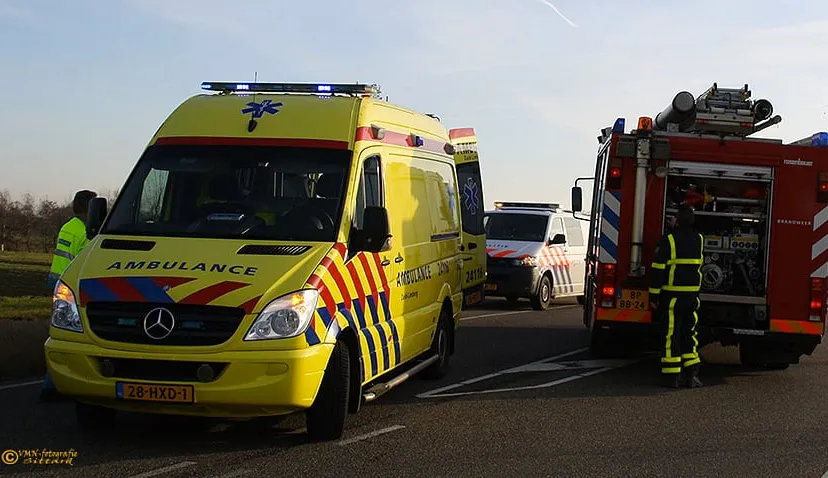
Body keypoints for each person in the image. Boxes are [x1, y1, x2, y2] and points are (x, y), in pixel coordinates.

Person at [41, 190, 97, 402]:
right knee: (72, 335)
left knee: (58, 332)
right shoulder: (86, 232)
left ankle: (51, 384)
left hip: (57, 281)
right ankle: (55, 384)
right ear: (90, 208)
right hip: (73, 287)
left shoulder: (68, 226)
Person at [648, 204, 704, 389]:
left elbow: (658, 270)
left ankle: (672, 377)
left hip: (672, 297)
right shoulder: (699, 239)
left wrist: (654, 296)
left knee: (671, 335)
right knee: (689, 334)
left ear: (677, 221)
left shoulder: (669, 240)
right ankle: (692, 375)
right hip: (691, 297)